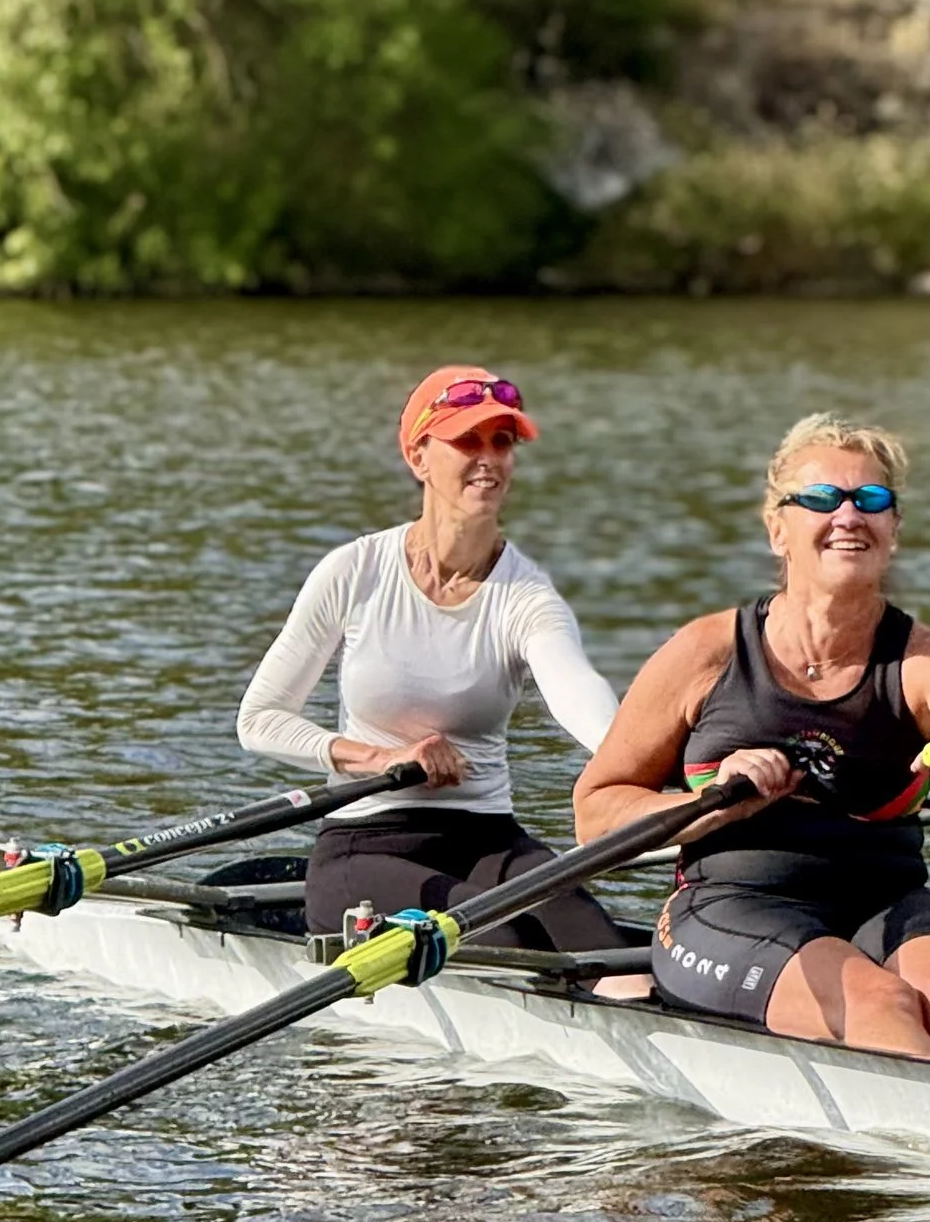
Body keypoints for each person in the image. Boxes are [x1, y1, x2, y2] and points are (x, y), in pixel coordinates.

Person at [571, 411, 930, 1075]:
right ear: (777, 526)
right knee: (881, 1001)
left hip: (885, 901)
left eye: (870, 500)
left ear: (892, 530)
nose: (848, 515)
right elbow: (593, 813)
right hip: (729, 907)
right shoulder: (704, 651)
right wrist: (716, 804)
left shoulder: (922, 658)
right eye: (820, 498)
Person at [237, 363, 647, 995]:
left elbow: (578, 697)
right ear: (418, 457)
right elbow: (259, 719)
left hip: (489, 838)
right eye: (468, 441)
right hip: (366, 841)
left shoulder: (526, 596)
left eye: (502, 442)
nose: (489, 459)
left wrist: (647, 766)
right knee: (511, 950)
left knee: (607, 955)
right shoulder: (355, 571)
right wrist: (382, 758)